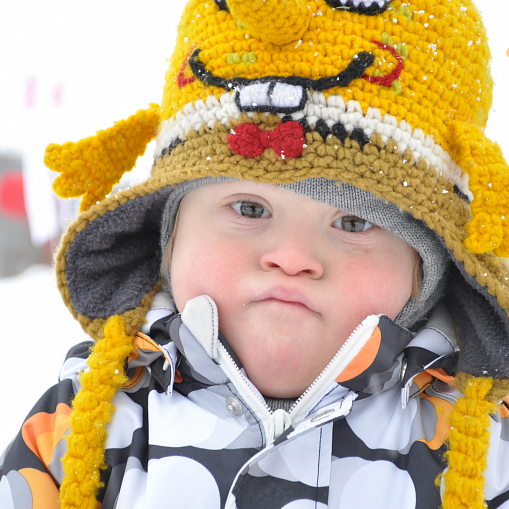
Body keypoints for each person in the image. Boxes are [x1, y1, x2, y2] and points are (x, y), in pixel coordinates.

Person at [2, 0, 509, 508]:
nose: (291, 257)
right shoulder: (84, 424)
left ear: (427, 268)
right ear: (170, 233)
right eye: (248, 208)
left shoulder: (484, 452)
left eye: (353, 223)